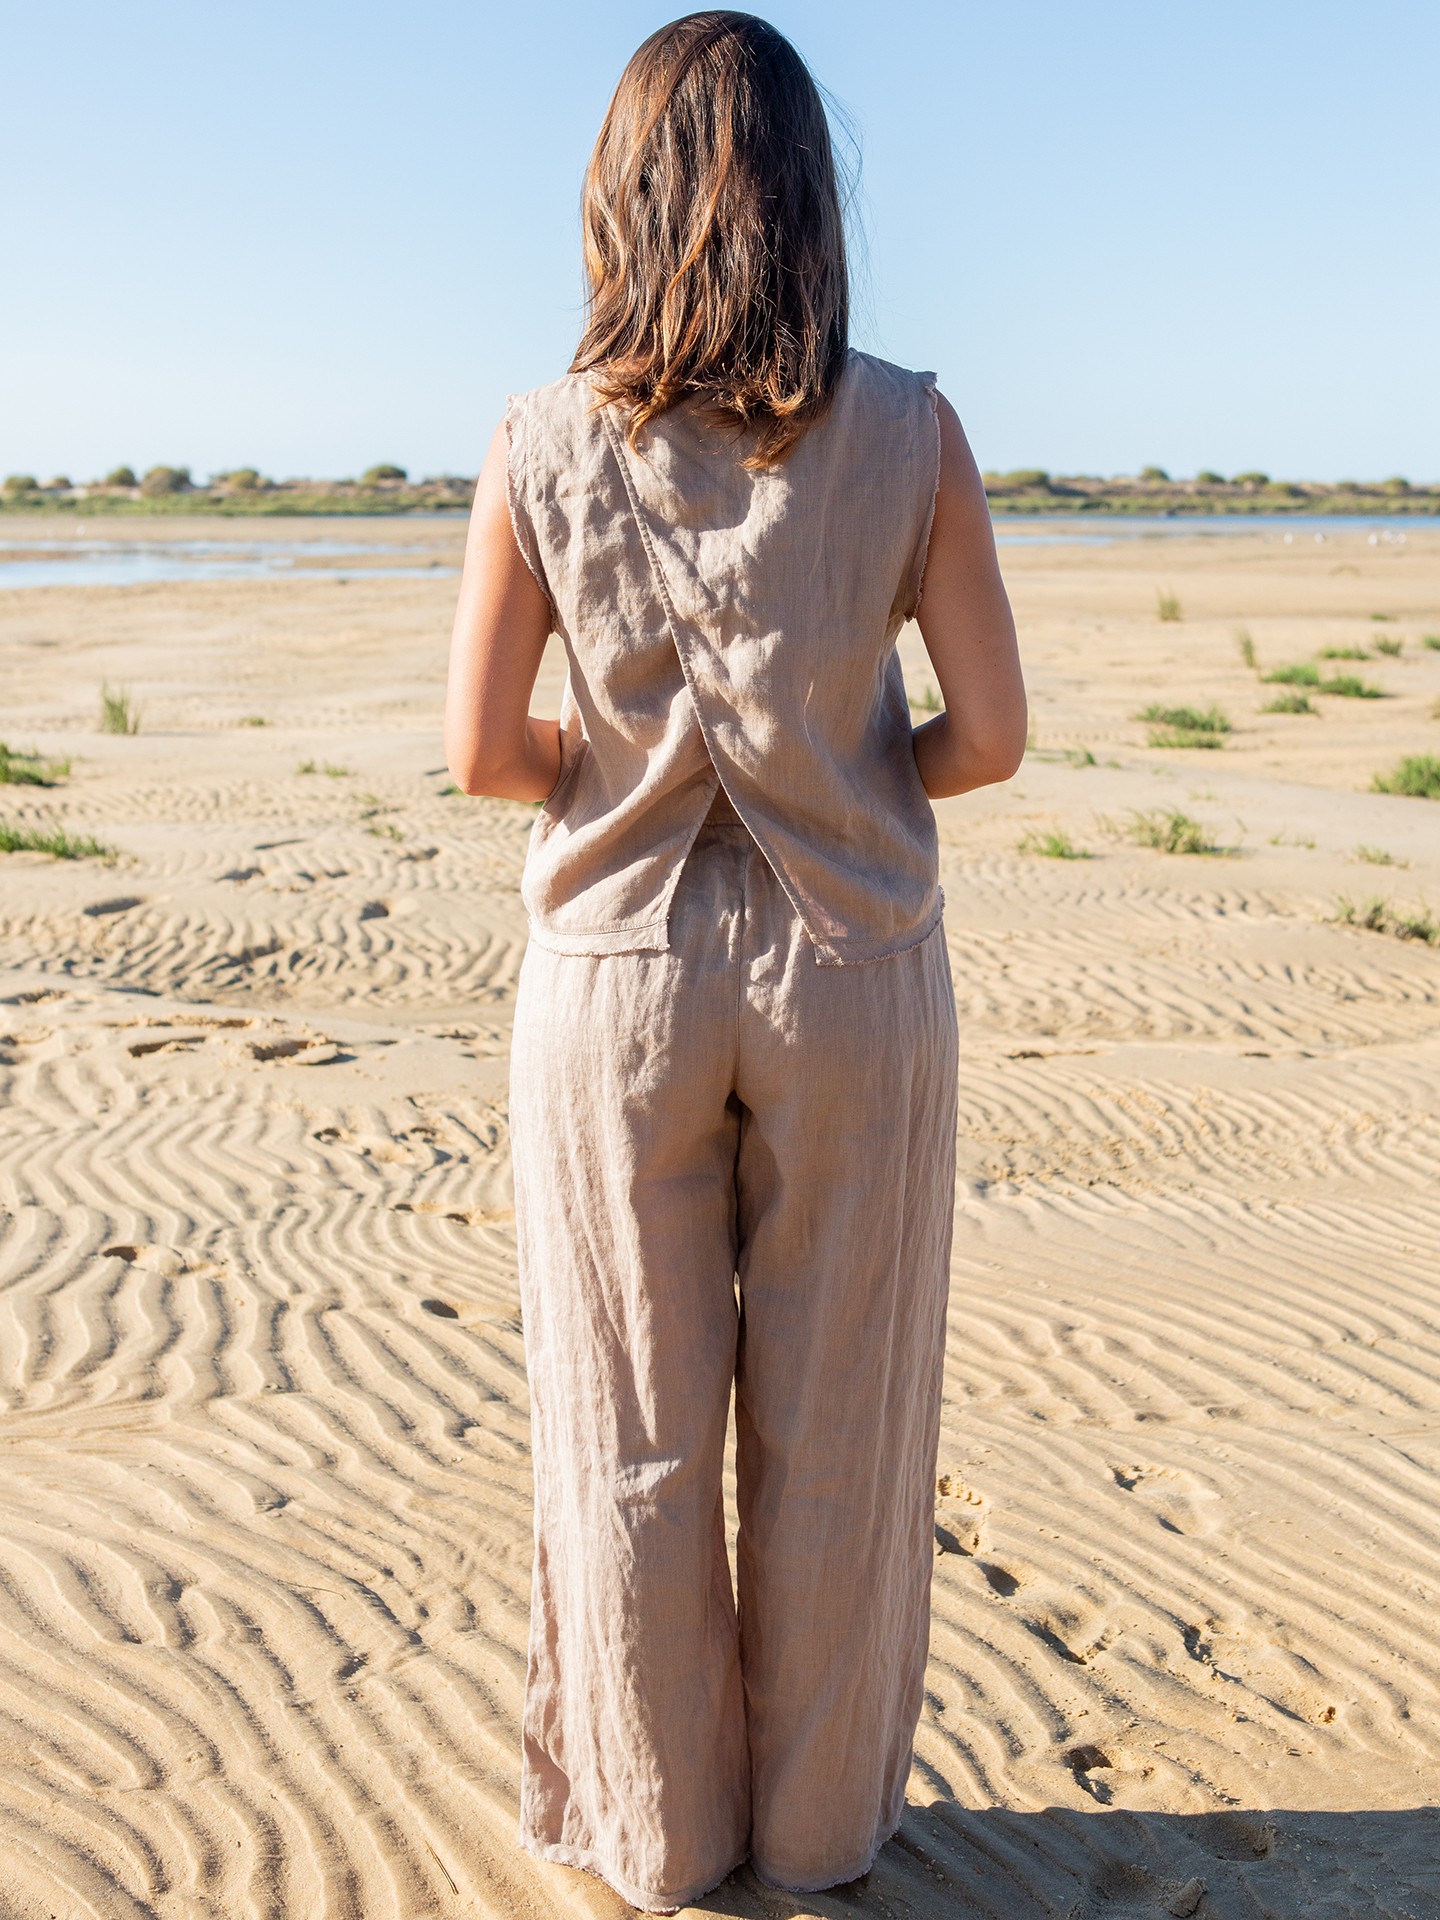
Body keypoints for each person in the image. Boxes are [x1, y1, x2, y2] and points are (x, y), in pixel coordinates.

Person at [444, 11, 1025, 1910]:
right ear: (807, 198)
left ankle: (660, 1834)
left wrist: (608, 796)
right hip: (853, 965)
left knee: (626, 1425)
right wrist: (860, 789)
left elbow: (480, 755)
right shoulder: (913, 425)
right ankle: (819, 1832)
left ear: (623, 198)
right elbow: (995, 734)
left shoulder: (538, 438)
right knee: (842, 1418)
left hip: (611, 979)